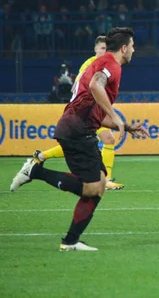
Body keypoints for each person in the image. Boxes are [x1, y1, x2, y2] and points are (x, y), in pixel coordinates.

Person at [10, 27, 148, 251]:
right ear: (124, 48)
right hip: (76, 130)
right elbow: (95, 85)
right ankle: (35, 171)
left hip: (78, 127)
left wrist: (126, 126)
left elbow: (94, 109)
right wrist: (115, 116)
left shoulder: (104, 63)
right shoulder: (111, 65)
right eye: (132, 46)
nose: (134, 49)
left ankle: (70, 241)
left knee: (99, 184)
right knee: (93, 188)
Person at [30, 36, 125, 190]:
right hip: (83, 113)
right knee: (96, 141)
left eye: (106, 49)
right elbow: (81, 85)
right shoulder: (90, 64)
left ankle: (41, 156)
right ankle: (104, 179)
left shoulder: (106, 65)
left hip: (93, 111)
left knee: (104, 140)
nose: (104, 51)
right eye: (101, 48)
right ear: (95, 49)